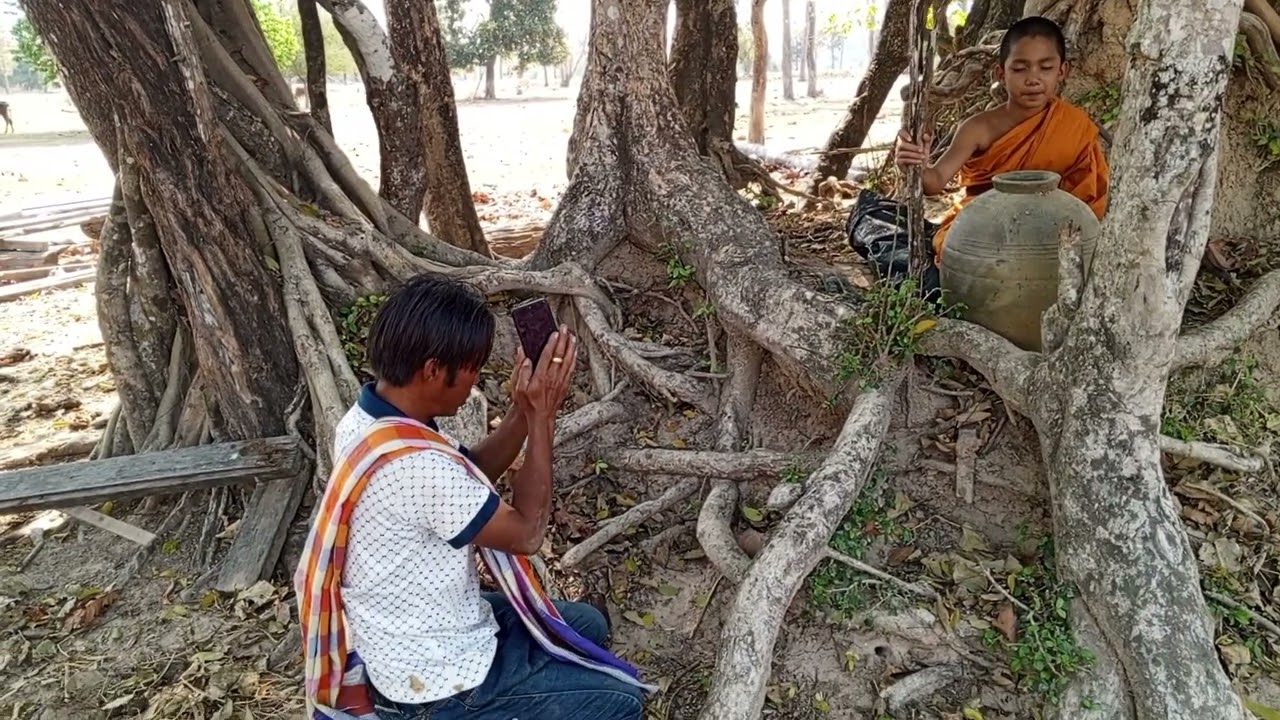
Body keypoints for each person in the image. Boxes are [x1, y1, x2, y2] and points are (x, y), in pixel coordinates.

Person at [294, 275, 647, 720]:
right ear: (432, 370)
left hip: (425, 628)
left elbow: (471, 473)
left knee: (587, 626)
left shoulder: (367, 422)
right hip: (435, 681)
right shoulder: (417, 467)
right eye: (472, 368)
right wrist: (543, 417)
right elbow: (527, 533)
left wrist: (521, 409)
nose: (477, 379)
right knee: (622, 703)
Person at [895, 16, 1110, 261]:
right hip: (986, 227)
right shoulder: (978, 128)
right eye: (1019, 69)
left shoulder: (1074, 126)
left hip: (1054, 228)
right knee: (964, 252)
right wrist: (915, 163)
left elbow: (1090, 200)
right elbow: (934, 182)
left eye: (1046, 68)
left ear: (1062, 71)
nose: (1033, 79)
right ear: (1001, 73)